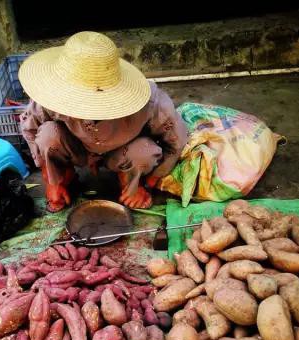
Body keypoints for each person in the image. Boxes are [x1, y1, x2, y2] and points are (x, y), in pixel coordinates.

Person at [18, 31, 188, 212]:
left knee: (143, 153)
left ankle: (128, 178)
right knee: (47, 136)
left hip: (122, 152)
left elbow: (176, 142)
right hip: (76, 147)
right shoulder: (51, 96)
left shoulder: (151, 103)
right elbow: (30, 127)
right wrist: (49, 178)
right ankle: (64, 175)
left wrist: (148, 184)